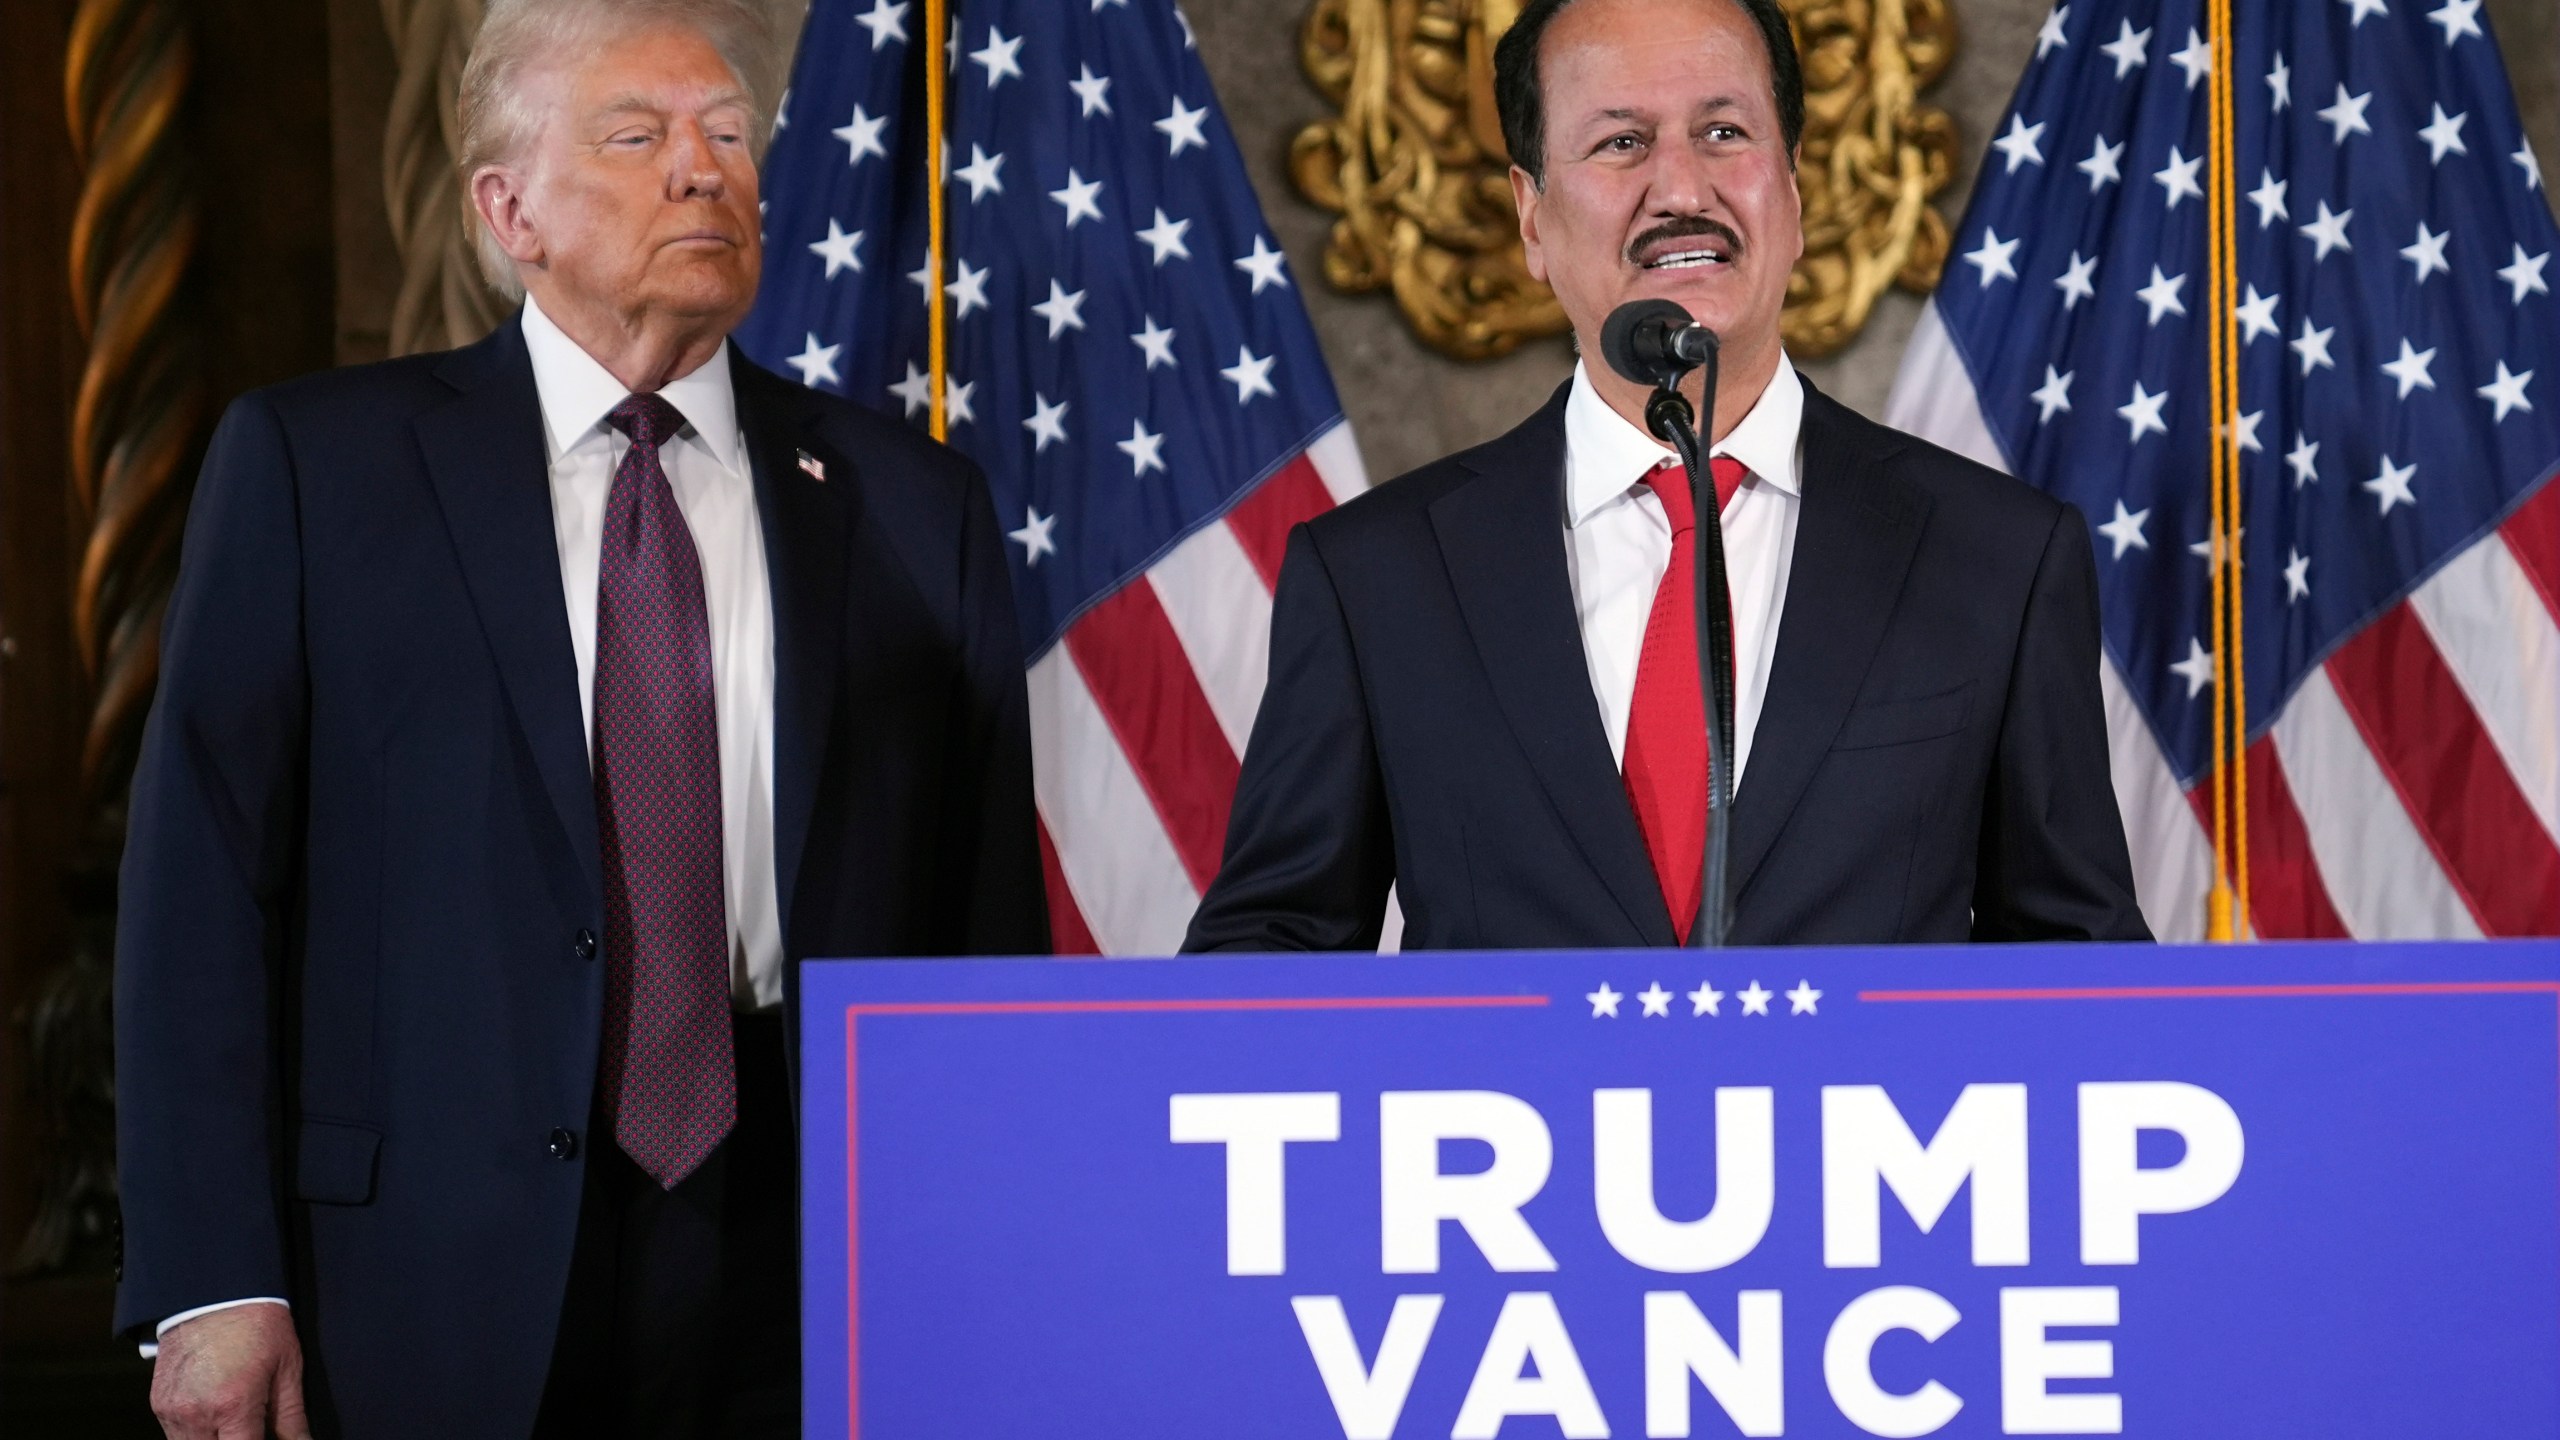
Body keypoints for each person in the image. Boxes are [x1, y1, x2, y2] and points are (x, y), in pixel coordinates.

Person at [113, 1, 1046, 1434]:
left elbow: (985, 933)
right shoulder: (317, 471)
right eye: (639, 135)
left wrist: (986, 1257)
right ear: (508, 210)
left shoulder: (918, 508)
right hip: (419, 1269)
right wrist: (214, 1281)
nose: (704, 169)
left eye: (730, 136)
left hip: (808, 1249)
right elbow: (201, 897)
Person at [1186, 0, 2149, 952]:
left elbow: (2078, 972)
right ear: (1531, 216)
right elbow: (1269, 958)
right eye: (1620, 143)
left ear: (1794, 189)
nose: (1682, 186)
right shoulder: (1375, 578)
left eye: (1725, 131)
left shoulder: (1998, 557)